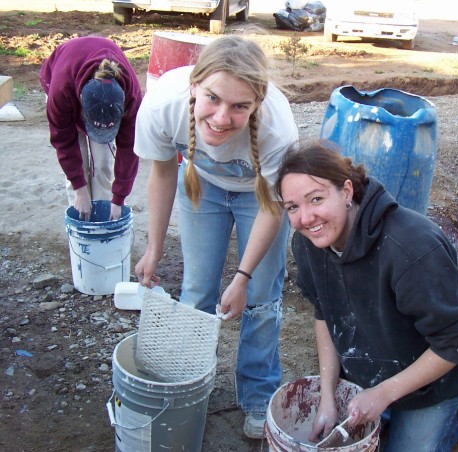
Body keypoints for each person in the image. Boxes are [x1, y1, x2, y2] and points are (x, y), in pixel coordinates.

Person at [133, 35, 299, 439]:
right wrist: (154, 248)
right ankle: (189, 390)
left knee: (261, 297)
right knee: (196, 290)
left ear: (257, 103)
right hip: (201, 185)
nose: (222, 117)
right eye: (212, 98)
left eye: (240, 106)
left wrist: (241, 277)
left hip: (259, 198)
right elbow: (163, 173)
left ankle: (258, 397)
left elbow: (273, 206)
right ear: (195, 86)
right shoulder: (162, 104)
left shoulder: (278, 129)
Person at [275, 140, 458, 451]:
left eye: (316, 199)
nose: (305, 219)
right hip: (367, 372)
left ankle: (453, 413)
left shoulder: (412, 248)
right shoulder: (308, 245)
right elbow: (325, 314)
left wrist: (384, 393)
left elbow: (456, 342)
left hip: (429, 386)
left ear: (347, 191)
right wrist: (327, 397)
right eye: (292, 207)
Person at [40, 36, 143, 221]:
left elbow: (129, 149)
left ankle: (103, 218)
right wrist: (80, 190)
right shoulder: (61, 91)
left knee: (103, 163)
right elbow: (63, 142)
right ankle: (80, 217)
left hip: (97, 98)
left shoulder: (132, 98)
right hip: (64, 77)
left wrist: (118, 199)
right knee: (78, 162)